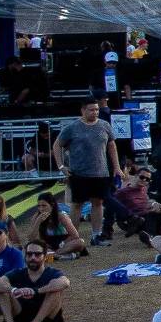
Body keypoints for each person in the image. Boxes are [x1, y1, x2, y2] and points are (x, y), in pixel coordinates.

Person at [56, 97, 125, 245]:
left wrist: (117, 167)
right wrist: (61, 166)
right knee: (77, 204)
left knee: (98, 203)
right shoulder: (72, 127)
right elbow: (57, 145)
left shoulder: (104, 125)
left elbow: (112, 146)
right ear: (83, 110)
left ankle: (96, 236)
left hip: (100, 172)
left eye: (97, 109)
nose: (95, 112)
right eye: (92, 110)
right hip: (78, 173)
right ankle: (74, 237)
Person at [0, 239, 77, 322]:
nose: (33, 257)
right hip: (20, 315)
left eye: (37, 254)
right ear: (25, 256)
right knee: (2, 290)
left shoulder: (52, 273)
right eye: (29, 254)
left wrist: (36, 291)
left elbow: (65, 282)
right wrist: (13, 290)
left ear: (45, 256)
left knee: (56, 289)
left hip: (46, 318)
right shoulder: (17, 273)